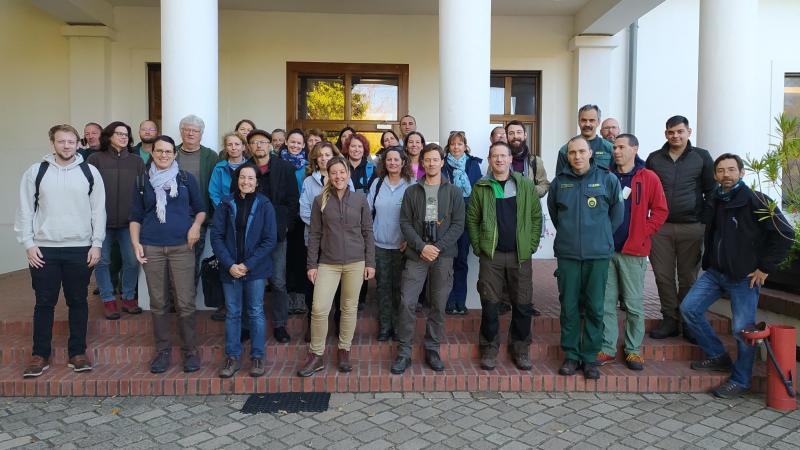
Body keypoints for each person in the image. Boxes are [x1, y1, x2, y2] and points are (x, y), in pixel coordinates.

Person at [681, 153, 793, 398]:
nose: (726, 175)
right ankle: (717, 355)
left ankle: (741, 380)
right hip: (716, 273)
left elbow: (785, 234)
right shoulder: (716, 199)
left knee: (743, 331)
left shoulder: (756, 200)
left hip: (745, 277)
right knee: (689, 309)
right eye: (721, 170)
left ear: (742, 172)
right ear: (715, 175)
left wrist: (765, 268)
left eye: (731, 170)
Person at [15, 124, 106, 378]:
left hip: (80, 249)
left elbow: (99, 210)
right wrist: (28, 244)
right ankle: (40, 355)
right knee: (44, 303)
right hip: (44, 250)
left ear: (78, 144)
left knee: (78, 301)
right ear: (52, 143)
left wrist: (97, 243)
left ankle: (77, 353)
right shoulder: (37, 171)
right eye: (61, 141)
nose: (66, 145)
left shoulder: (90, 172)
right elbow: (25, 209)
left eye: (71, 141)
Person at [548, 136, 623, 380]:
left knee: (595, 307)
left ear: (591, 153)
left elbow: (617, 215)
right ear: (567, 156)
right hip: (568, 254)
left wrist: (600, 236)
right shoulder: (559, 183)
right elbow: (555, 215)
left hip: (597, 254)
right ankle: (571, 355)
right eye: (572, 153)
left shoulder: (608, 179)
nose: (577, 156)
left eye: (581, 151)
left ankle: (590, 357)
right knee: (569, 307)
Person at [130, 135, 206, 374]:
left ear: (175, 154)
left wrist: (195, 227)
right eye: (159, 151)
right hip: (151, 246)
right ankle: (162, 351)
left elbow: (201, 209)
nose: (164, 155)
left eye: (168, 151)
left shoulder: (185, 179)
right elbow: (135, 216)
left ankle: (190, 351)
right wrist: (135, 243)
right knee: (159, 302)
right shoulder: (142, 181)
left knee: (185, 302)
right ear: (152, 153)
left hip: (182, 247)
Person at [467, 141, 543, 371]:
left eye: (503, 156)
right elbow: (472, 219)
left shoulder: (525, 185)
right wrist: (479, 246)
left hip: (520, 256)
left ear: (511, 159)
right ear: (489, 160)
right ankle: (489, 349)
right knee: (490, 303)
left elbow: (536, 217)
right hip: (492, 257)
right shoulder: (482, 186)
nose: (499, 160)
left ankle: (520, 349)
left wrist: (530, 245)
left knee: (522, 303)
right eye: (495, 156)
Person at [297, 156, 375, 377]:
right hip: (328, 263)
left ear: (348, 174)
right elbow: (314, 234)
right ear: (328, 176)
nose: (338, 176)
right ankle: (316, 355)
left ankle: (344, 350)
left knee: (348, 308)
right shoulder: (319, 200)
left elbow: (368, 232)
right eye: (334, 173)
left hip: (355, 262)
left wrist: (370, 262)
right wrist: (312, 265)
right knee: (319, 308)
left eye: (342, 172)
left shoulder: (360, 199)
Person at [392, 143, 465, 374]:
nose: (431, 163)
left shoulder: (454, 192)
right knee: (407, 302)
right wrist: (422, 246)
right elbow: (404, 222)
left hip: (443, 256)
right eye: (427, 160)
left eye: (435, 159)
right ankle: (404, 351)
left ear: (442, 162)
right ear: (422, 163)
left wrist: (437, 248)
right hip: (416, 255)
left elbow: (458, 225)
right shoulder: (412, 191)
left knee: (438, 304)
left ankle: (432, 349)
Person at [597, 134, 668, 371]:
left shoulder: (648, 177)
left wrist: (642, 233)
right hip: (607, 251)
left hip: (633, 252)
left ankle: (633, 350)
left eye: (621, 147)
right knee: (606, 303)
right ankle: (607, 348)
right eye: (614, 147)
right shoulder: (605, 175)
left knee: (633, 304)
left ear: (635, 149)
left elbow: (660, 211)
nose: (616, 151)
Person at [646, 115, 715, 341]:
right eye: (671, 132)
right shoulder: (654, 158)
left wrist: (704, 220)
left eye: (679, 131)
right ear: (665, 133)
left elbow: (711, 191)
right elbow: (646, 191)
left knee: (688, 277)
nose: (675, 136)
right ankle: (670, 320)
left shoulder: (702, 157)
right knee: (663, 276)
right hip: (660, 228)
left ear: (688, 132)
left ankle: (688, 321)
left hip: (692, 227)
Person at [211, 164, 277, 378]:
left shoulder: (265, 204)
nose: (246, 182)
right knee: (233, 313)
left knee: (255, 311)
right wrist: (230, 264)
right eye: (242, 177)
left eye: (250, 178)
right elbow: (216, 236)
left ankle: (257, 356)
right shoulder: (225, 203)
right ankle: (232, 357)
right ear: (237, 179)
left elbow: (269, 240)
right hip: (230, 269)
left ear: (257, 182)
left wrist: (247, 265)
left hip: (255, 269)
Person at [87, 121, 145, 320]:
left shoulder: (136, 161)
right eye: (119, 133)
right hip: (101, 222)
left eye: (126, 134)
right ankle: (108, 299)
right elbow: (87, 190)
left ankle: (128, 297)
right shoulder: (95, 159)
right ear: (109, 136)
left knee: (132, 260)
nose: (123, 137)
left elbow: (143, 190)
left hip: (129, 223)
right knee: (102, 261)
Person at [248, 129, 298, 342]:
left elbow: (293, 200)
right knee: (251, 280)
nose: (259, 145)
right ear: (249, 147)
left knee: (278, 281)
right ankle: (248, 324)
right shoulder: (245, 169)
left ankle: (279, 325)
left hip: (276, 233)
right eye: (254, 142)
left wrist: (285, 226)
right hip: (250, 236)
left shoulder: (284, 168)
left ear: (270, 145)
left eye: (262, 142)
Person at [299, 142, 354, 336]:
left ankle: (338, 323)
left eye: (327, 154)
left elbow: (350, 210)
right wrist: (325, 227)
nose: (323, 158)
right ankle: (312, 325)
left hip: (339, 244)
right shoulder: (308, 182)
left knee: (340, 287)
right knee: (313, 285)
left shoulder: (344, 178)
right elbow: (304, 211)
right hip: (315, 242)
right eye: (320, 155)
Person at [368, 146, 415, 341]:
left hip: (403, 247)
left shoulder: (411, 184)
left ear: (403, 162)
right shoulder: (377, 183)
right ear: (384, 162)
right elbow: (367, 212)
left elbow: (417, 216)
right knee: (383, 287)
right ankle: (385, 326)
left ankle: (397, 326)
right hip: (379, 245)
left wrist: (410, 241)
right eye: (389, 159)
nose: (393, 163)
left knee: (400, 290)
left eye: (396, 159)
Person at [442, 131, 482, 315]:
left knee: (462, 261)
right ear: (448, 146)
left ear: (465, 146)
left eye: (459, 144)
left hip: (466, 219)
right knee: (446, 262)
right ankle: (448, 301)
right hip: (446, 220)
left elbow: (478, 192)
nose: (456, 147)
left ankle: (460, 300)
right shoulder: (443, 165)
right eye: (453, 144)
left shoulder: (473, 164)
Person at [176, 114, 218, 284]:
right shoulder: (170, 152)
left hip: (198, 217)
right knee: (173, 260)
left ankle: (188, 296)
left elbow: (216, 187)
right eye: (187, 130)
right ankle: (174, 296)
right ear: (181, 132)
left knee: (192, 260)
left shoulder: (211, 156)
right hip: (173, 217)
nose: (191, 133)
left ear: (201, 134)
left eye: (195, 130)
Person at [281, 129, 309, 316]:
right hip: (284, 217)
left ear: (304, 145)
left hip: (302, 218)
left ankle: (299, 296)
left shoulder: (308, 166)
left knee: (300, 257)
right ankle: (287, 296)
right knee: (285, 258)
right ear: (286, 142)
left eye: (299, 143)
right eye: (292, 142)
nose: (295, 145)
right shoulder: (278, 163)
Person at [555, 105, 613, 174]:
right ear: (578, 122)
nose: (587, 124)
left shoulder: (610, 148)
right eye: (584, 120)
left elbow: (616, 175)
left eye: (591, 120)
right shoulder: (565, 150)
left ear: (598, 122)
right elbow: (560, 178)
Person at [209, 133, 248, 209]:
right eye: (229, 145)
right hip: (224, 210)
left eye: (237, 144)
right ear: (226, 148)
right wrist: (222, 210)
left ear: (243, 147)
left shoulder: (251, 167)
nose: (233, 148)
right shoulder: (219, 168)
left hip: (247, 210)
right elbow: (214, 193)